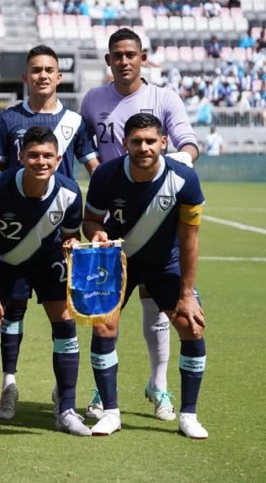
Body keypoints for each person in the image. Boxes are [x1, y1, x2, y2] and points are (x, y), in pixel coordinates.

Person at [80, 27, 200, 422]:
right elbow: (86, 147)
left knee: (159, 310)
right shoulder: (93, 99)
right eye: (117, 55)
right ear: (109, 60)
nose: (124, 60)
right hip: (112, 212)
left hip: (158, 212)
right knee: (105, 318)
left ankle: (159, 385)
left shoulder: (163, 98)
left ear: (143, 58)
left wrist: (175, 171)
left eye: (131, 54)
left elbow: (187, 142)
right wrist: (104, 175)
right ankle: (103, 390)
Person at [0, 45, 99, 420]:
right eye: (36, 70)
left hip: (54, 233)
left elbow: (94, 168)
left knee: (63, 317)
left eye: (50, 69)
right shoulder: (8, 119)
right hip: (13, 234)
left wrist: (106, 208)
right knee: (10, 312)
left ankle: (64, 396)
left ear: (59, 77)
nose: (43, 75)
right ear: (26, 76)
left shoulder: (75, 122)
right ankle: (9, 384)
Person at [82, 113, 208, 439]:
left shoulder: (184, 180)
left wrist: (187, 294)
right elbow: (91, 221)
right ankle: (110, 411)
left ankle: (189, 415)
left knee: (191, 326)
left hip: (165, 264)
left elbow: (190, 240)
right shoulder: (107, 175)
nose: (144, 147)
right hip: (117, 261)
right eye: (136, 141)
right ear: (125, 144)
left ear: (163, 143)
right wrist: (96, 234)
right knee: (104, 326)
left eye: (151, 141)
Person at [0, 126, 90, 437]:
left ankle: (66, 409)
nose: (41, 161)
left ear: (59, 158)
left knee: (65, 325)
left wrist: (74, 254)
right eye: (34, 155)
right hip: (4, 263)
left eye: (47, 156)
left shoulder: (69, 192)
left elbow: (70, 238)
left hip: (46, 261)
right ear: (21, 156)